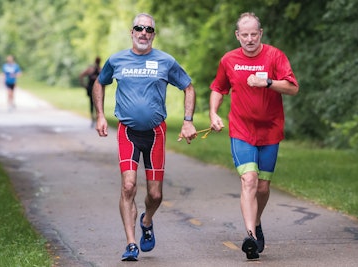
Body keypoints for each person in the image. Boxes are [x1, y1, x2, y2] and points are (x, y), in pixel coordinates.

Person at [92, 13, 197, 261]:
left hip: (155, 133)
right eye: (139, 28)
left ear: (153, 35)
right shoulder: (117, 60)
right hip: (127, 132)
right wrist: (100, 115)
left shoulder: (165, 61)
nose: (143, 33)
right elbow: (100, 82)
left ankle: (147, 221)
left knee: (156, 195)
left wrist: (188, 121)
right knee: (128, 186)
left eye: (148, 30)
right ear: (131, 31)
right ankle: (130, 244)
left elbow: (188, 87)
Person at [209, 12, 299, 260]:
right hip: (241, 130)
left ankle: (256, 222)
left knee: (263, 186)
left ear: (260, 34)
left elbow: (292, 87)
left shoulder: (274, 56)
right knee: (249, 180)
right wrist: (214, 113)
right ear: (237, 35)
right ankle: (250, 236)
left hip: (270, 130)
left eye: (253, 34)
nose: (249, 39)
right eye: (244, 35)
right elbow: (218, 88)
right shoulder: (229, 60)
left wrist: (267, 82)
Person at [79, 56, 101, 127]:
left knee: (93, 104)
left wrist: (84, 85)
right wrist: (84, 85)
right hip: (92, 89)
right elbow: (81, 75)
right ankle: (94, 118)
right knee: (95, 104)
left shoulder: (97, 69)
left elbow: (81, 75)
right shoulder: (97, 69)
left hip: (94, 89)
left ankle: (94, 118)